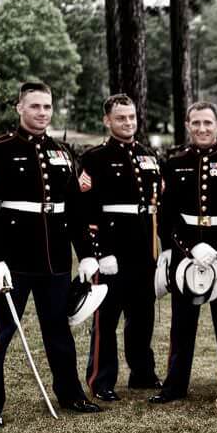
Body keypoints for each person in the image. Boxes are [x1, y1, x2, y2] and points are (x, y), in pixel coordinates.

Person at [0, 81, 101, 428]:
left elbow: (75, 211)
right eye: (35, 106)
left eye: (47, 106)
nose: (42, 113)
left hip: (55, 258)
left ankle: (72, 394)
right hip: (14, 260)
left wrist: (86, 254)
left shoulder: (62, 152)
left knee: (59, 331)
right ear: (19, 108)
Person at [149, 102, 217, 408]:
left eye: (207, 123)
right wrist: (187, 248)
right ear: (187, 124)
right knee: (182, 324)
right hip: (187, 253)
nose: (202, 128)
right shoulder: (174, 161)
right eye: (196, 123)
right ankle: (174, 385)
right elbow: (167, 215)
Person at [78, 94, 163, 402]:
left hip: (144, 248)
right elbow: (86, 209)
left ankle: (142, 373)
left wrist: (161, 249)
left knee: (142, 315)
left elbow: (158, 205)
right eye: (121, 118)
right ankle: (101, 379)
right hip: (113, 250)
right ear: (107, 121)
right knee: (107, 317)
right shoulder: (95, 158)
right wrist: (100, 252)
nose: (128, 123)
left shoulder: (148, 155)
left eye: (131, 117)